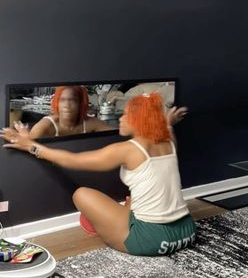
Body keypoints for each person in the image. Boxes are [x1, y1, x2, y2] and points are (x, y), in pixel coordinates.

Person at [0, 93, 196, 256]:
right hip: (186, 231)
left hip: (152, 241)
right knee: (132, 199)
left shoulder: (128, 149)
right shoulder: (169, 141)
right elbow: (166, 129)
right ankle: (116, 221)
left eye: (126, 115)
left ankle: (108, 227)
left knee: (81, 194)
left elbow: (72, 160)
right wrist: (168, 121)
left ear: (139, 120)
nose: (120, 118)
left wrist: (30, 146)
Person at [29, 85, 115, 138]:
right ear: (57, 103)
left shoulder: (90, 123)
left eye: (73, 100)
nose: (67, 105)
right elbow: (27, 144)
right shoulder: (46, 125)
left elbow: (117, 135)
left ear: (80, 104)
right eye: (62, 100)